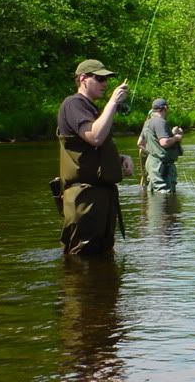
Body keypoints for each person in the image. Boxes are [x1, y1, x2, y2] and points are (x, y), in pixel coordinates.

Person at [57, 59, 134, 255]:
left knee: (104, 263)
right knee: (82, 266)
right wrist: (113, 102)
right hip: (85, 200)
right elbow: (95, 136)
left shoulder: (90, 109)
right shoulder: (73, 104)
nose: (105, 84)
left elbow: (92, 150)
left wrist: (119, 159)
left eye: (106, 79)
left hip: (100, 199)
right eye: (100, 78)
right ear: (83, 79)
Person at [141, 98, 183, 194]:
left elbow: (140, 143)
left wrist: (154, 154)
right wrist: (176, 138)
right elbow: (164, 142)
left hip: (152, 164)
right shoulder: (160, 122)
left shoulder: (147, 123)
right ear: (165, 108)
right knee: (164, 194)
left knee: (153, 193)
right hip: (161, 167)